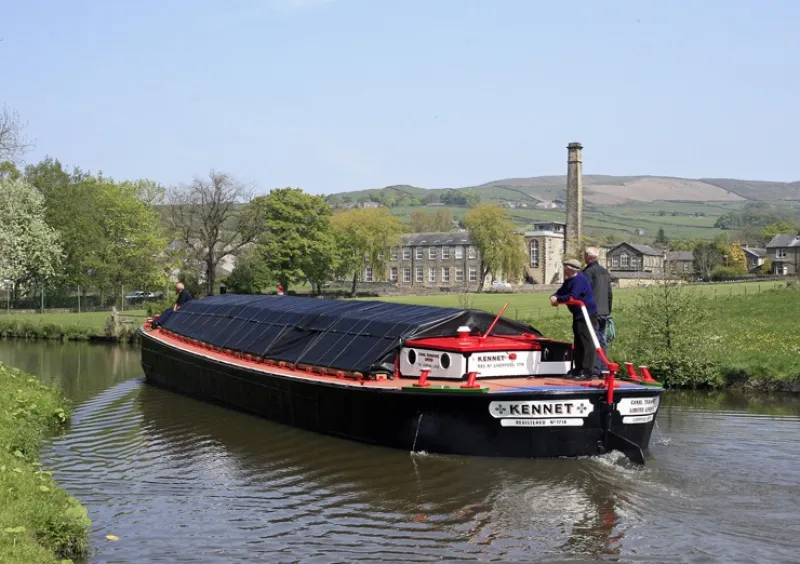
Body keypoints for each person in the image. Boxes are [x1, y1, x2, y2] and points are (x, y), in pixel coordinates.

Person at [550, 258, 599, 380]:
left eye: (565, 268)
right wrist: (554, 296)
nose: (564, 270)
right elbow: (561, 292)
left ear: (570, 269)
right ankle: (578, 369)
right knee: (578, 341)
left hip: (587, 314)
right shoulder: (569, 280)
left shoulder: (579, 280)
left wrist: (558, 300)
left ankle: (587, 371)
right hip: (578, 313)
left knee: (586, 342)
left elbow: (573, 296)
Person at [583, 247, 613, 377]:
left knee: (592, 340)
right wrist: (608, 310)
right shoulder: (605, 272)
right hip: (604, 311)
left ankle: (594, 370)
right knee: (602, 339)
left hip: (592, 312)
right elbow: (610, 294)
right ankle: (604, 368)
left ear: (588, 258)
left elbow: (585, 293)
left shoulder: (588, 272)